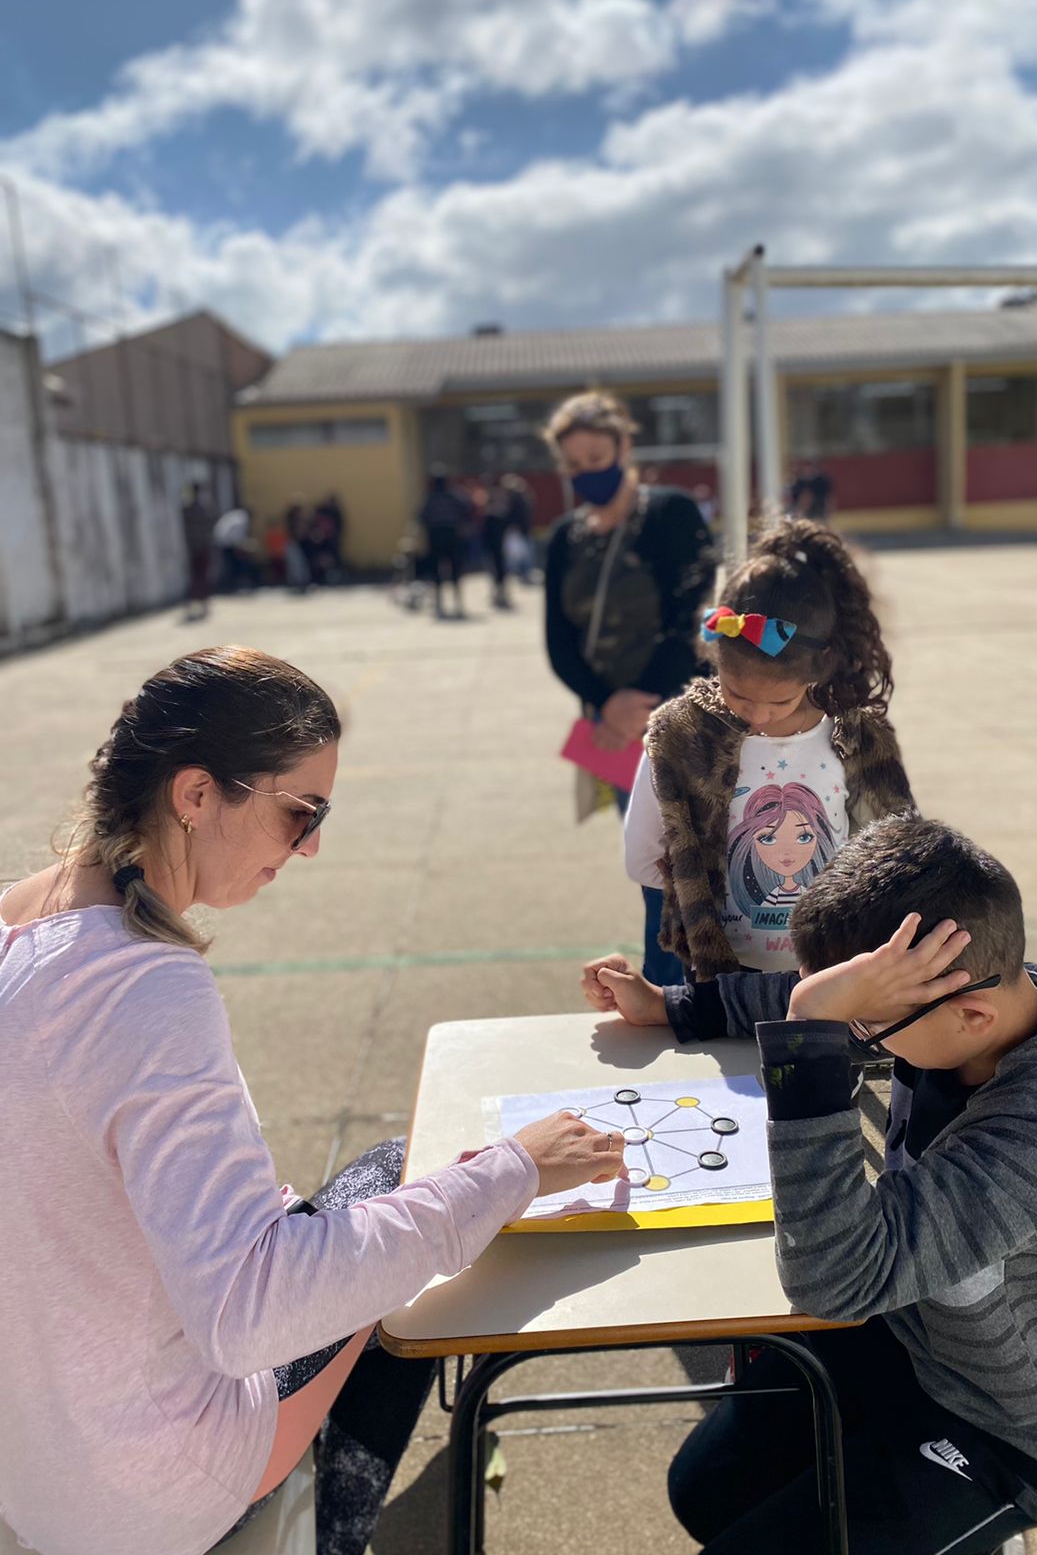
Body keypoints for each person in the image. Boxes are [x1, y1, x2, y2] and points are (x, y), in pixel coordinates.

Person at [0, 646, 626, 1555]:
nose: (314, 844)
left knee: (363, 1210)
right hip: (147, 1486)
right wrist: (511, 1173)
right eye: (301, 813)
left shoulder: (22, 925)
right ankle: (330, 1533)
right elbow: (252, 1311)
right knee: (396, 1184)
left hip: (36, 1462)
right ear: (196, 795)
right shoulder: (144, 992)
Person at [667, 814, 1037, 1552]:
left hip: (1005, 1428)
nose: (857, 1039)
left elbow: (832, 1281)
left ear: (970, 1011)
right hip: (913, 1334)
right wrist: (683, 1008)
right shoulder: (970, 1008)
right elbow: (834, 994)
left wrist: (808, 1044)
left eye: (865, 1027)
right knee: (704, 1490)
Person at [582, 518, 912, 1040]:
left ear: (822, 666)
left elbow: (897, 859)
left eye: (778, 700)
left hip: (831, 983)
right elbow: (641, 860)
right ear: (714, 656)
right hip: (727, 985)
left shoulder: (857, 737)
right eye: (737, 694)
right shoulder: (675, 736)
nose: (757, 715)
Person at [543, 390, 716, 987]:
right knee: (654, 869)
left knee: (700, 865)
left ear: (624, 446)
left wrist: (637, 694)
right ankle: (668, 990)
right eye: (574, 464)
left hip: (681, 718)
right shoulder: (565, 538)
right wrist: (604, 702)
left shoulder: (672, 513)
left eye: (597, 455)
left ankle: (703, 990)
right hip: (614, 730)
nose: (587, 472)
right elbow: (558, 640)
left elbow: (692, 615)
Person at [420, 470, 472, 620]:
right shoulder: (454, 496)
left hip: (435, 537)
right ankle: (457, 603)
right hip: (452, 537)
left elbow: (421, 516)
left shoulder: (431, 498)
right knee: (455, 571)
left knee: (437, 572)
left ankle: (440, 603)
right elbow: (466, 510)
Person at [181, 481, 215, 621]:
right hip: (201, 547)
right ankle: (202, 602)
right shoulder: (202, 508)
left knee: (196, 576)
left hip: (194, 547)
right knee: (201, 576)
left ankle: (196, 602)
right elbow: (208, 526)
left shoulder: (188, 509)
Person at [480, 477, 514, 610]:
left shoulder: (497, 507)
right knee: (495, 568)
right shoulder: (494, 505)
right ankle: (498, 591)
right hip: (494, 545)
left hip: (499, 545)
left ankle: (501, 592)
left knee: (500, 568)